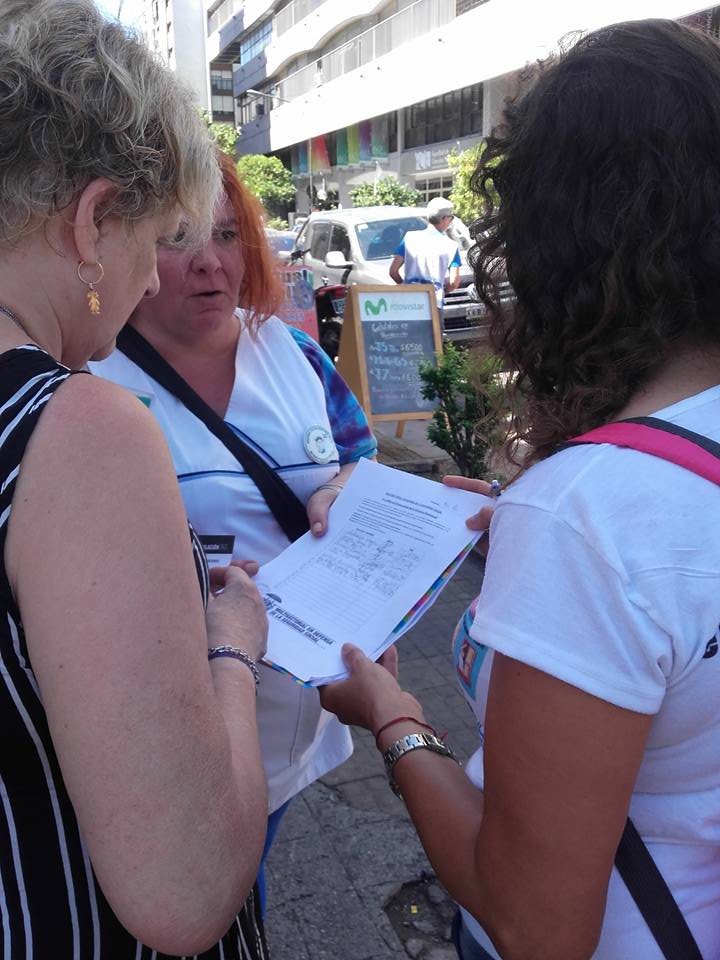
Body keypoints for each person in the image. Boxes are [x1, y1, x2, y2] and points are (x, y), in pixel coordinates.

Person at [321, 18, 720, 960]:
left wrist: (394, 717)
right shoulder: (615, 502)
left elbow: (536, 924)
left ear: (553, 244)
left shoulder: (586, 512)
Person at [0, 2, 270, 957]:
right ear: (91, 222)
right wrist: (230, 646)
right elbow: (186, 889)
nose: (154, 280)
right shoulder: (79, 431)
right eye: (155, 238)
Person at [90, 152, 378, 910]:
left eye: (225, 235)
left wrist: (343, 490)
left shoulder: (296, 354)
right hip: (169, 724)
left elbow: (360, 456)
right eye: (177, 238)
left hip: (301, 710)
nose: (209, 264)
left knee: (247, 872)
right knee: (193, 895)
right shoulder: (89, 381)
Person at [389, 197, 461, 318]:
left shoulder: (409, 238)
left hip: (410, 303)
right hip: (434, 303)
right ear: (444, 219)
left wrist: (405, 286)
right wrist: (444, 291)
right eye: (451, 218)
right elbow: (454, 281)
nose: (450, 221)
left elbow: (393, 271)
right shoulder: (451, 246)